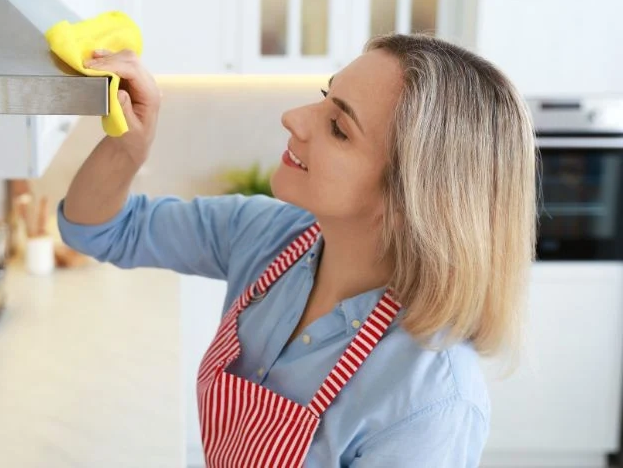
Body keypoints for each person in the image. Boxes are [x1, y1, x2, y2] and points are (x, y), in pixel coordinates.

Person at [57, 34, 537, 468]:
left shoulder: (433, 403)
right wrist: (127, 148)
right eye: (326, 97)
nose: (294, 117)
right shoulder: (269, 235)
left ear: (410, 200)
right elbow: (100, 229)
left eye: (339, 128)